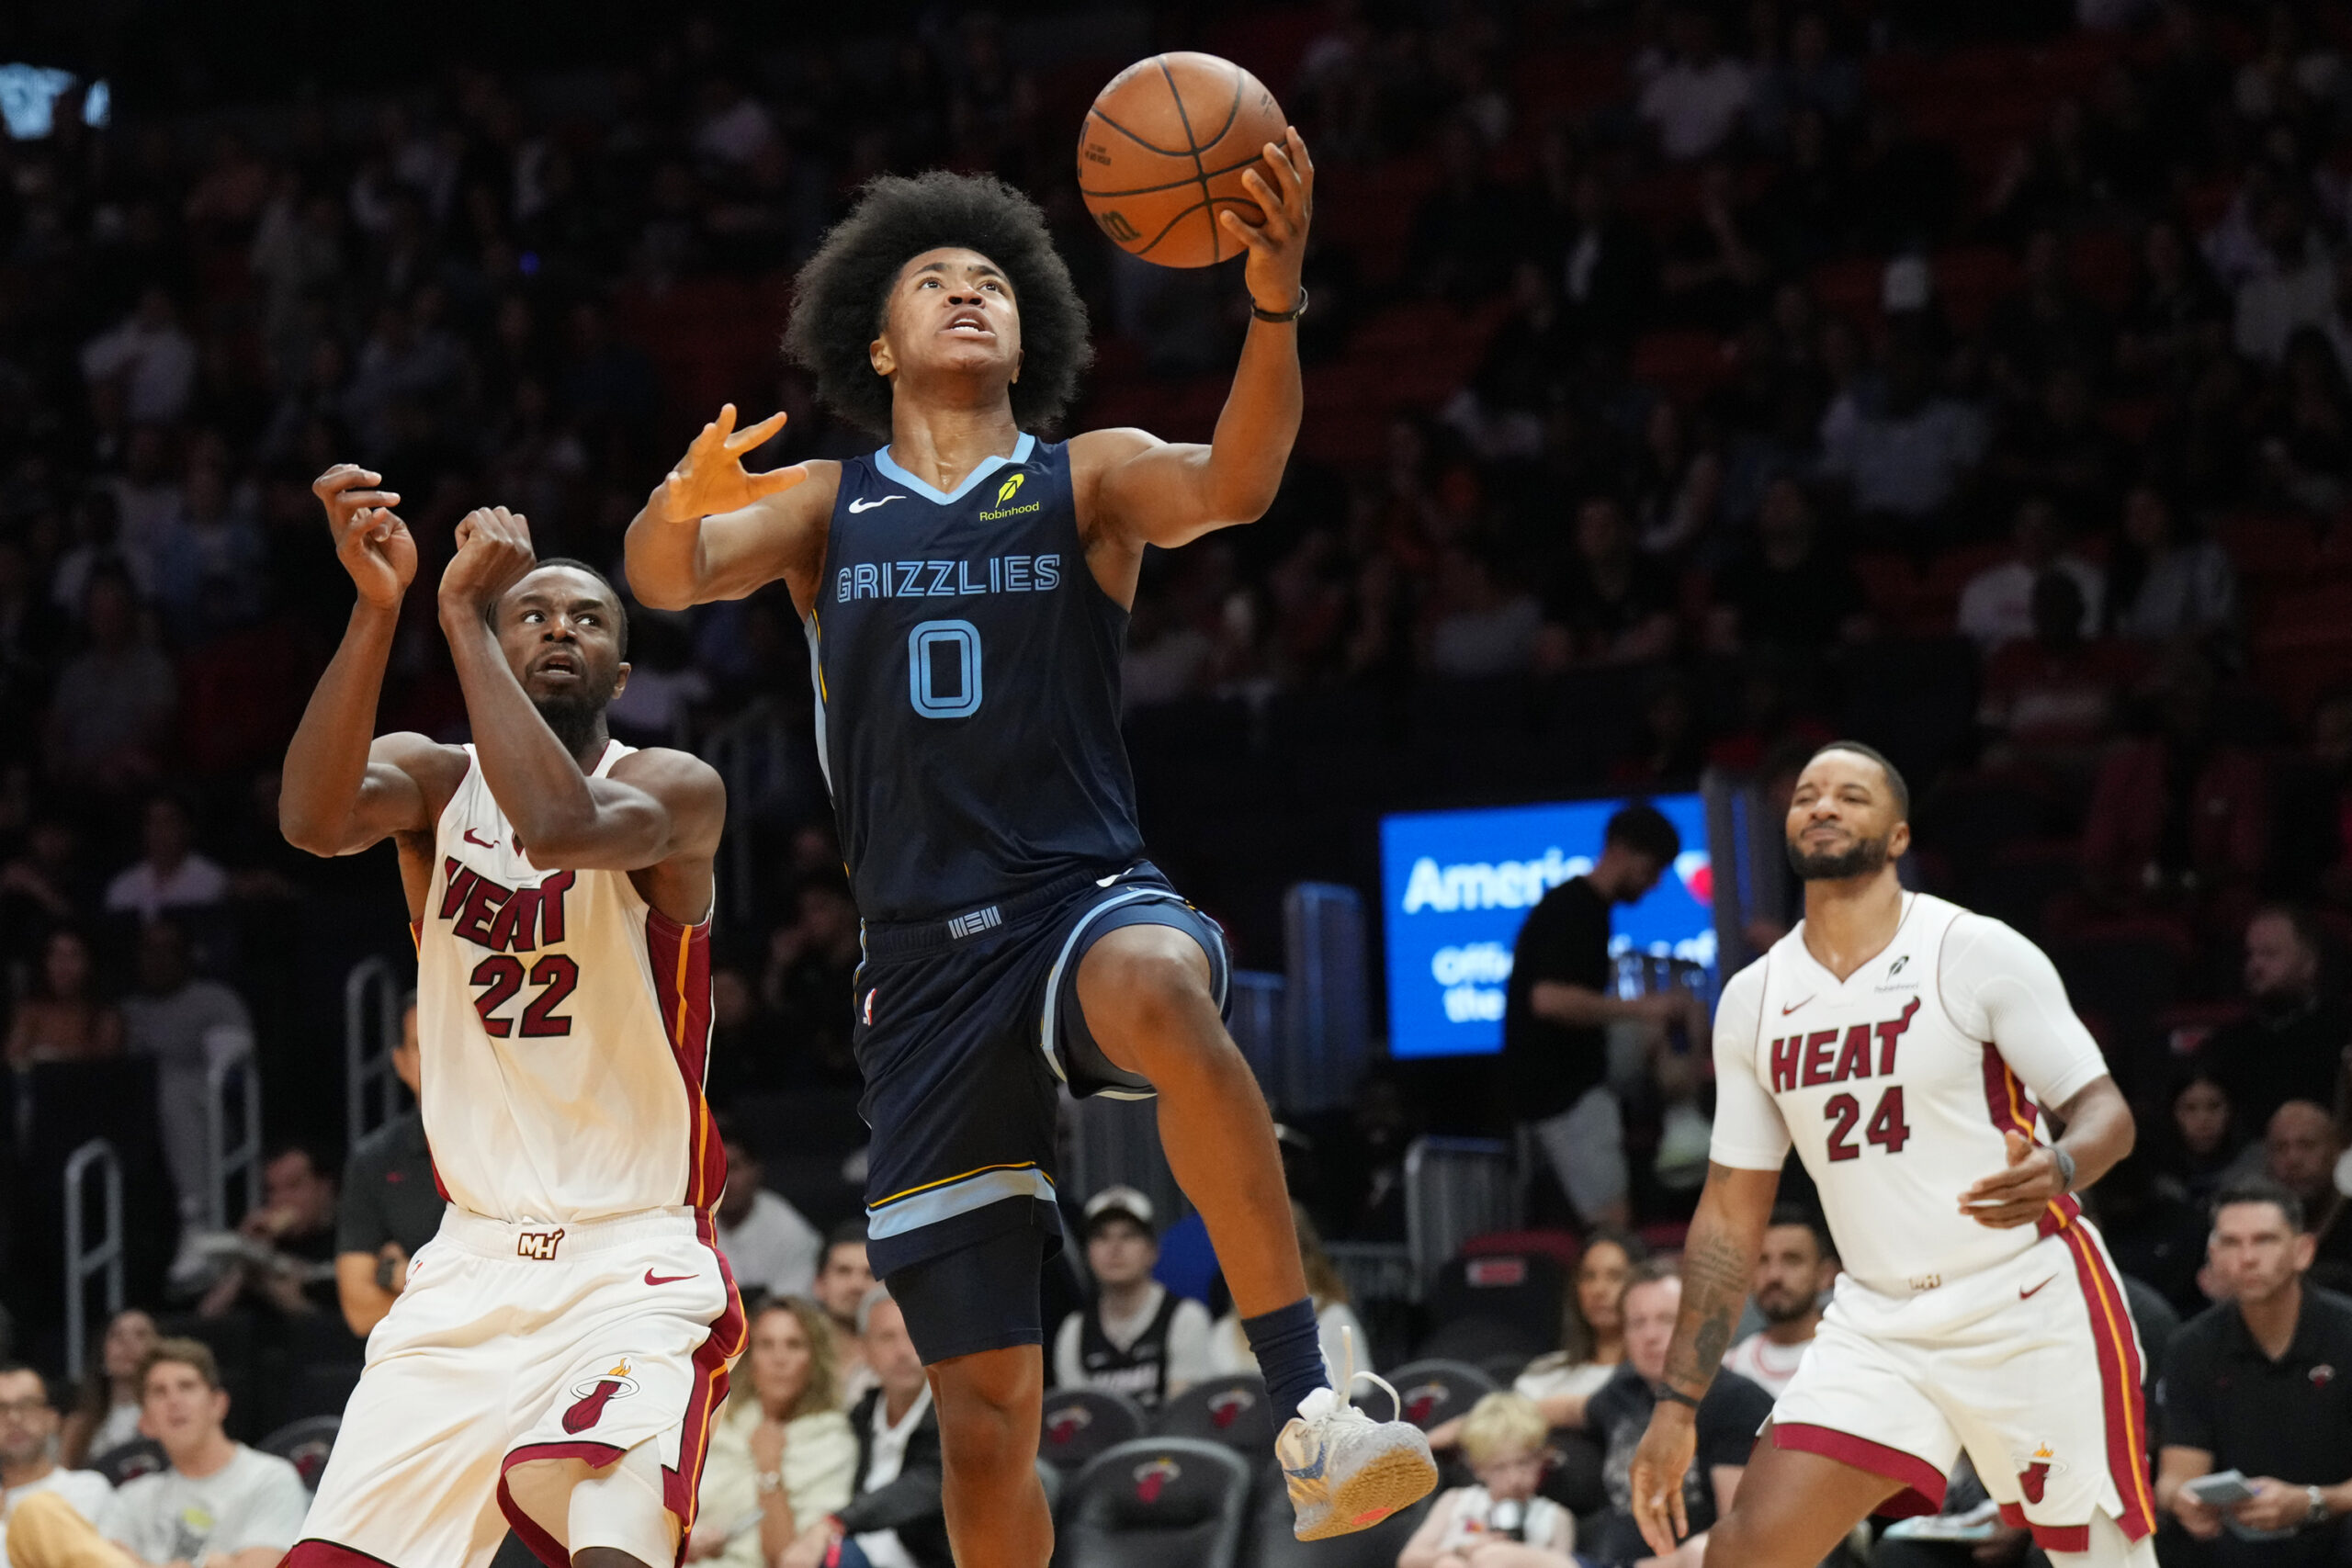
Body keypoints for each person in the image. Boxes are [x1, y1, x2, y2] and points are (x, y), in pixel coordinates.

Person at [621, 149, 1434, 1558]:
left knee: (1163, 989)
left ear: (1030, 330)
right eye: (934, 279)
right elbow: (662, 577)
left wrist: (1277, 297)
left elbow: (1239, 482)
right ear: (876, 343)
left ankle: (1313, 1404)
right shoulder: (829, 502)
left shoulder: (1088, 480)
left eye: (992, 278)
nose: (967, 291)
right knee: (988, 1423)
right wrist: (675, 501)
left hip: (1076, 894)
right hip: (922, 971)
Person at [274, 466, 737, 1568]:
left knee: (611, 1544)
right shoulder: (436, 786)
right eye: (531, 612)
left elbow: (558, 828)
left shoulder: (673, 789)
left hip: (631, 1262)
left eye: (586, 618)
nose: (558, 628)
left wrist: (466, 619)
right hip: (468, 1265)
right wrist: (380, 608)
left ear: (622, 672)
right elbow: (311, 818)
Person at [1626, 741, 2149, 1567]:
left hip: (2024, 1300)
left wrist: (2064, 1166)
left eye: (1850, 796)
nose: (1823, 806)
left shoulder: (1974, 949)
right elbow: (1729, 1212)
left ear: (1900, 836)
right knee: (1746, 1551)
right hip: (1877, 1322)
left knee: (2104, 1562)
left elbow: (2105, 1111)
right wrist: (1677, 1403)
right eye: (1806, 795)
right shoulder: (1753, 999)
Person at [1501, 803, 1702, 1229]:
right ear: (1626, 852)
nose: (1655, 883)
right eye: (1653, 868)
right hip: (1561, 1089)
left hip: (1588, 1062)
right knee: (1612, 1224)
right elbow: (1548, 1001)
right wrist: (1643, 1007)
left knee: (1680, 1009)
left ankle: (1683, 1119)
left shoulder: (1593, 910)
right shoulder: (1572, 908)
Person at [2156, 1179, 2352, 1563]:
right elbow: (2176, 1474)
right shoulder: (2191, 1345)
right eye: (2230, 1243)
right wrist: (2185, 1500)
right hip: (2233, 1536)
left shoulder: (2346, 1333)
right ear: (2212, 1255)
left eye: (2264, 1240)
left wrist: (2311, 1502)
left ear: (2303, 1250)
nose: (2246, 1257)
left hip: (2336, 1529)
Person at [9, 1340, 307, 1568]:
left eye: (187, 1387)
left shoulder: (269, 1477)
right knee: (36, 1510)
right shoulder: (133, 1497)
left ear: (218, 1404)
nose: (174, 1401)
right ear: (146, 1423)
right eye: (159, 1392)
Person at [1580, 1263, 1771, 1566]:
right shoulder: (1621, 1393)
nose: (1651, 1335)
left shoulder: (1735, 1400)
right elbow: (1570, 1410)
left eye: (1667, 1320)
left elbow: (1740, 1536)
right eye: (1637, 1323)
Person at [778, 1289, 947, 1568]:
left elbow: (927, 1483)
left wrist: (835, 1523)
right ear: (865, 1350)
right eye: (887, 1338)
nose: (903, 1351)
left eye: (914, 1335)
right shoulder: (861, 1416)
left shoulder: (955, 1415)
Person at [118, 916, 251, 1254]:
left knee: (173, 1083)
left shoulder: (213, 999)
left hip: (212, 1121)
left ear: (188, 954)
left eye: (168, 949)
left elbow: (230, 1070)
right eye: (149, 950)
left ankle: (197, 1220)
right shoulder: (126, 1010)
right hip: (138, 1129)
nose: (157, 959)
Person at [692, 1298, 856, 1568]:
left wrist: (769, 1467)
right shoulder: (715, 1422)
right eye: (766, 1345)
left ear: (815, 1359)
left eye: (794, 1345)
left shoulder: (832, 1439)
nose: (779, 1359)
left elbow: (786, 1558)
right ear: (749, 1356)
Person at [334, 997, 442, 1338]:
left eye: (448, 1040)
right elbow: (360, 1311)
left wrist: (408, 1277)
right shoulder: (376, 1160)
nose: (438, 1057)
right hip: (418, 1362)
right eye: (422, 1046)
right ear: (401, 1063)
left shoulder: (524, 1144)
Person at [1049, 1188, 1212, 1409]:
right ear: (1088, 1253)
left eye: (1129, 1235)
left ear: (1152, 1251)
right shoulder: (1074, 1330)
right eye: (1101, 1236)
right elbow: (1077, 1423)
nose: (1115, 1248)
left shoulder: (1186, 1318)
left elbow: (1183, 1417)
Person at [2197, 906, 2348, 1135]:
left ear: (2309, 964)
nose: (2255, 965)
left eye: (2269, 954)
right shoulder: (2229, 1044)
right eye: (2250, 954)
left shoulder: (2341, 1031)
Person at [1396, 1393, 1576, 1568]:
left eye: (1524, 1463)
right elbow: (1409, 1560)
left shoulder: (1556, 1518)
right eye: (1499, 1467)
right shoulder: (1457, 1501)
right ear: (1478, 1468)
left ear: (1541, 1459)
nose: (1514, 1478)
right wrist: (1462, 1551)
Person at [1208, 1202, 1372, 1385]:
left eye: (1273, 1249)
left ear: (1303, 1256)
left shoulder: (1333, 1320)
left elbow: (1354, 1396)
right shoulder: (1224, 1331)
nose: (1261, 1263)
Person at [196, 1144, 343, 1329]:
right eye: (272, 1190)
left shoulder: (350, 1242)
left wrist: (293, 1304)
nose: (281, 1199)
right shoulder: (268, 1242)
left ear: (324, 1187)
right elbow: (205, 1322)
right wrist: (246, 1253)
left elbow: (346, 1336)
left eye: (293, 1186)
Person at [0, 1364, 119, 1568]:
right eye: (1, 1409)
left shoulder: (88, 1489)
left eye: (27, 1405)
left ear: (52, 1418)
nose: (14, 1418)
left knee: (38, 1508)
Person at [1717, 1208, 1838, 1397]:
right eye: (1762, 1261)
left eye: (1792, 1260)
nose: (1774, 1275)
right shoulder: (1730, 1368)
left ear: (1825, 1274)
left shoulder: (1849, 1358)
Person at [713, 1120, 823, 1304]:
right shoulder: (692, 1225)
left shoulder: (790, 1231)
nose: (726, 1181)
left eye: (734, 1168)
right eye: (717, 1169)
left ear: (755, 1171)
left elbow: (795, 1306)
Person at [4, 930, 122, 1067]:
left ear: (89, 963)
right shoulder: (29, 1013)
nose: (63, 965)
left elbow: (105, 1073)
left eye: (73, 955)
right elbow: (12, 1065)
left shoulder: (106, 1018)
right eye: (55, 955)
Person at [101, 796, 227, 922]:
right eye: (152, 823)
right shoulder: (123, 886)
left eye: (168, 822)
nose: (159, 831)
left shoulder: (212, 880)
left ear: (188, 828)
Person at [58, 1314, 156, 1471]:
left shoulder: (171, 1415)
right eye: (117, 1336)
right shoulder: (78, 1426)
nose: (127, 1344)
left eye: (140, 1335)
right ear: (102, 1352)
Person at [813, 1224, 879, 1405]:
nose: (856, 1285)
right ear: (819, 1284)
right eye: (844, 1271)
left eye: (869, 1273)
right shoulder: (795, 1355)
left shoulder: (905, 1358)